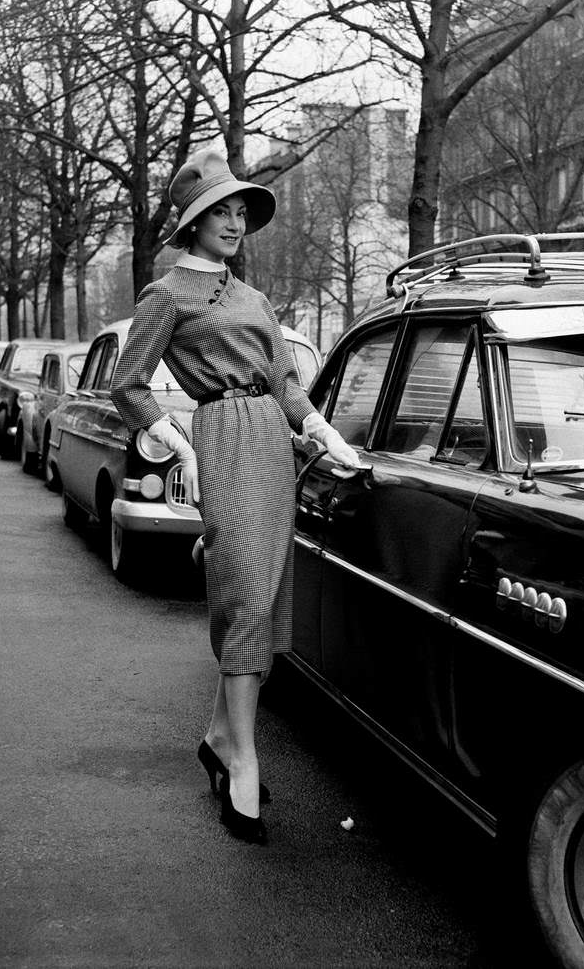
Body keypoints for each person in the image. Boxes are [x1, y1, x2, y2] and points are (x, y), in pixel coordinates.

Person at [110, 150, 359, 845]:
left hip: (272, 445)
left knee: (269, 598)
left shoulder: (253, 298)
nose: (233, 222)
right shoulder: (167, 294)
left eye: (239, 210)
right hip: (218, 435)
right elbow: (127, 386)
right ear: (191, 223)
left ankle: (221, 736)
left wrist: (324, 434)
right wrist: (179, 443)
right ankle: (243, 757)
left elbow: (284, 382)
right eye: (219, 210)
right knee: (245, 594)